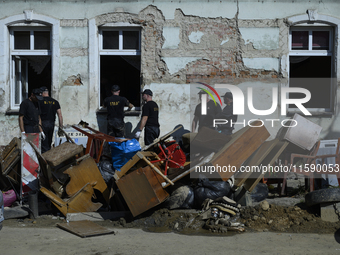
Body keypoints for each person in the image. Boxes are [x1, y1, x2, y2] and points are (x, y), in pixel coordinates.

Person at [39, 86, 63, 153]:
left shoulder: (39, 102)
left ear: (42, 93)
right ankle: (48, 157)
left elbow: (37, 115)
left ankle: (44, 160)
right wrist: (60, 128)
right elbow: (60, 116)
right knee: (49, 143)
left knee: (43, 144)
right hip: (51, 124)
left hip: (42, 124)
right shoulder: (55, 102)